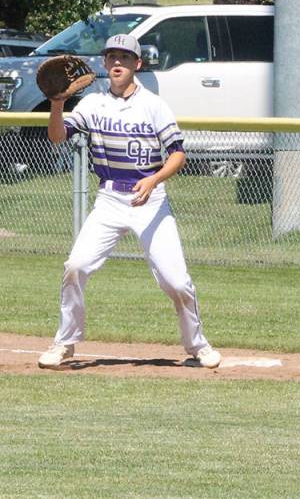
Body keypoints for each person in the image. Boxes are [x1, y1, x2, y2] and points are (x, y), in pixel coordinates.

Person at [37, 33, 222, 370]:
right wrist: (57, 103)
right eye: (111, 57)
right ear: (105, 64)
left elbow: (178, 154)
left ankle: (198, 345)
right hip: (109, 199)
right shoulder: (92, 104)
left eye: (125, 57)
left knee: (176, 281)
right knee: (75, 267)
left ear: (137, 64)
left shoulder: (154, 104)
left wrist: (153, 179)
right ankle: (64, 344)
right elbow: (57, 137)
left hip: (150, 200)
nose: (117, 62)